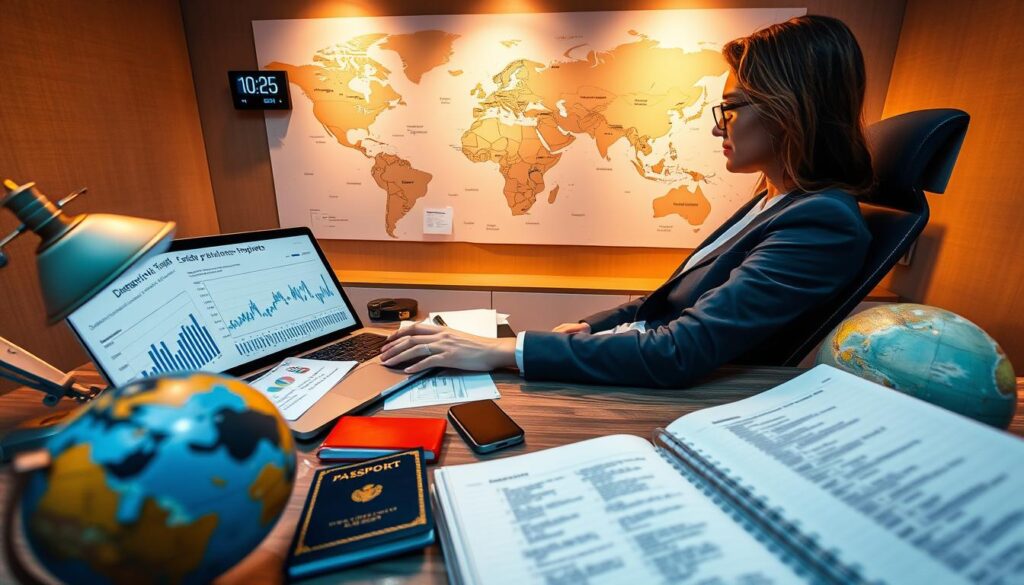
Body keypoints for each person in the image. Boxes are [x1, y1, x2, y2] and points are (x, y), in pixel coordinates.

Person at [380, 15, 874, 388]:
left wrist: (504, 350)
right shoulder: (774, 199)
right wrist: (590, 326)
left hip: (672, 396)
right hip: (638, 358)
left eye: (730, 108)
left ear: (788, 108)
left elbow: (680, 351)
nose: (716, 125)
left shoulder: (821, 224)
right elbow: (668, 301)